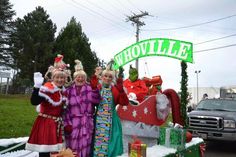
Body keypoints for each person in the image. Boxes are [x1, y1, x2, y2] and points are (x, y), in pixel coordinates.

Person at [25, 54, 71, 157]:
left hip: (57, 124)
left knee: (56, 152)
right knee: (45, 150)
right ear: (53, 78)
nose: (60, 80)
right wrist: (36, 87)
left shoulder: (63, 91)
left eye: (62, 78)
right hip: (46, 123)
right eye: (58, 77)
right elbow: (34, 101)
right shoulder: (48, 88)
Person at [63, 59, 100, 157]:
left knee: (86, 146)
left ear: (85, 78)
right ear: (75, 78)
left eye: (82, 77)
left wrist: (95, 89)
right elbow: (65, 109)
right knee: (72, 146)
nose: (80, 79)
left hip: (86, 122)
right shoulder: (69, 91)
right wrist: (67, 123)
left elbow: (97, 101)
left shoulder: (90, 88)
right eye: (78, 77)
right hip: (73, 123)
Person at [93, 60, 129, 157]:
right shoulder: (98, 88)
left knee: (113, 143)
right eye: (106, 76)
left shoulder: (115, 90)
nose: (107, 78)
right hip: (98, 121)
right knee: (96, 143)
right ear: (102, 77)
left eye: (110, 77)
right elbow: (92, 101)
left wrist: (121, 90)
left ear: (112, 78)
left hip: (112, 121)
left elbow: (125, 103)